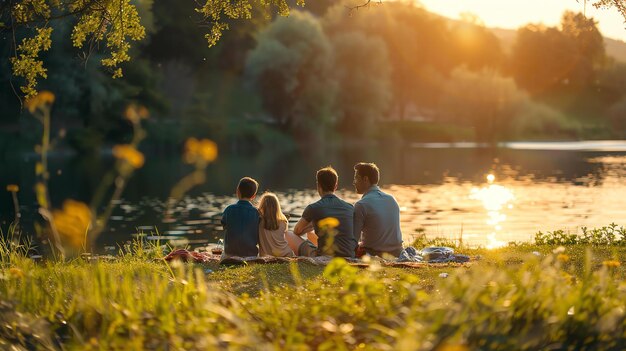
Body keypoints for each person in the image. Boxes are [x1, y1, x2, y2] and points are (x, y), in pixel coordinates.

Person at [286, 166, 357, 257]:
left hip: (324, 258)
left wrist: (311, 225)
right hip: (348, 255)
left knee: (288, 234)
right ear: (335, 186)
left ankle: (292, 261)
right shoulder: (350, 207)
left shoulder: (313, 208)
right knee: (310, 234)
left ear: (318, 185)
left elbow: (297, 232)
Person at [353, 162, 404, 258]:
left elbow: (354, 240)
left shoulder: (361, 205)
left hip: (375, 254)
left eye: (356, 178)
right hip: (398, 252)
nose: (354, 182)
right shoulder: (391, 199)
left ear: (365, 179)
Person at [221, 177, 260, 257]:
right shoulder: (257, 213)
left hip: (230, 254)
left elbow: (224, 225)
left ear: (237, 191)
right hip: (251, 255)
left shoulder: (229, 209)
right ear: (254, 196)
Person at [257, 192, 295, 257]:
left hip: (267, 256)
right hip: (286, 254)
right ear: (277, 207)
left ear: (262, 206)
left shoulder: (259, 221)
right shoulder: (283, 222)